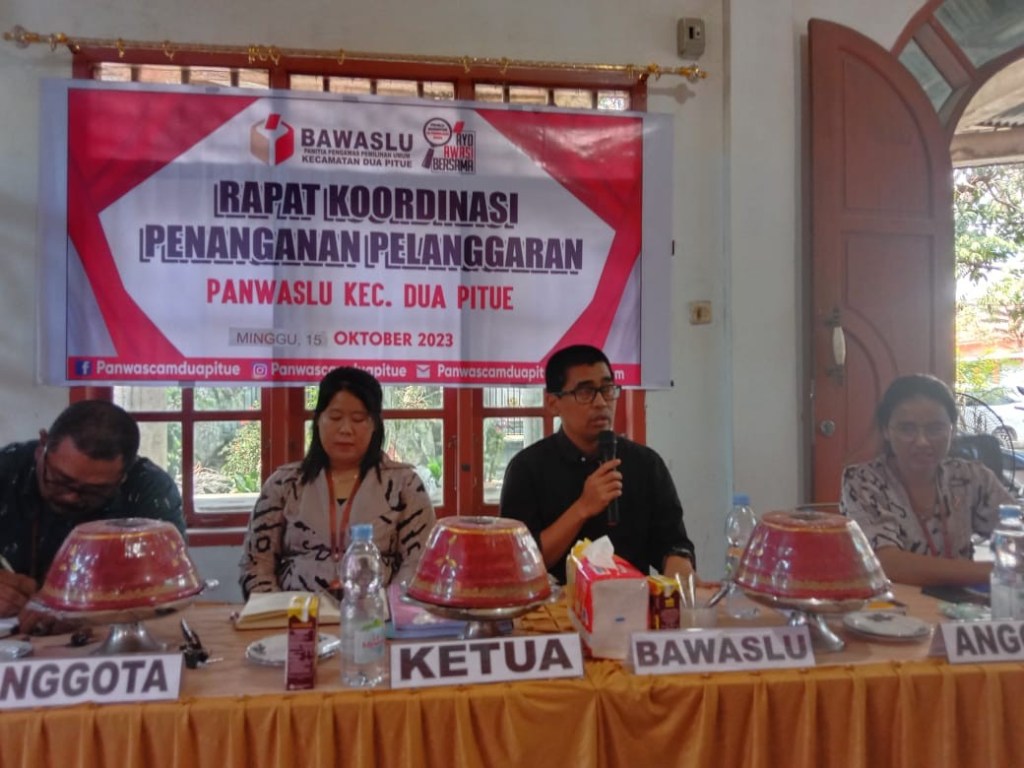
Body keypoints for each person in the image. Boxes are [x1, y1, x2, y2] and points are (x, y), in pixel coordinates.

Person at [499, 344, 696, 583]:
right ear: (553, 403)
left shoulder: (646, 464)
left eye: (607, 389)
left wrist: (682, 573)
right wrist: (583, 507)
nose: (601, 402)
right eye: (585, 392)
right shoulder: (526, 468)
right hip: (555, 604)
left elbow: (673, 544)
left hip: (631, 601)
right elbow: (521, 564)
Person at [239, 366, 436, 598]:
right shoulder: (283, 484)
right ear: (318, 420)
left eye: (358, 419)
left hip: (378, 614)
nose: (345, 429)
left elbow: (419, 565)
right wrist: (275, 610)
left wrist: (388, 608)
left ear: (375, 424)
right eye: (334, 417)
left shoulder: (405, 486)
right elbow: (256, 565)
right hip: (296, 614)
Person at [0, 400, 185, 633]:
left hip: (109, 640)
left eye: (94, 491)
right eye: (60, 480)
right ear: (42, 446)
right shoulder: (7, 469)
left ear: (123, 476)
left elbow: (170, 583)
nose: (70, 497)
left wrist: (85, 605)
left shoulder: (148, 489)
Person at [841, 373, 1015, 586]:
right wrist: (998, 571)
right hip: (894, 602)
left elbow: (1016, 531)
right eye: (907, 429)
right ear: (886, 431)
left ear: (952, 429)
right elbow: (887, 563)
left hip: (963, 603)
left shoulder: (971, 476)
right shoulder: (862, 481)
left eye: (935, 428)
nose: (922, 442)